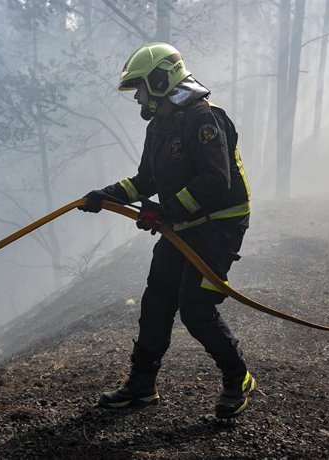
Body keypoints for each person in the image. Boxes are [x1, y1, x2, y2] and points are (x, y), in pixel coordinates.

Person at [78, 42, 254, 419]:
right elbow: (147, 179)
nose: (139, 97)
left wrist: (165, 212)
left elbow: (215, 181)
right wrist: (105, 196)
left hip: (219, 227)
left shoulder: (202, 119)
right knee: (157, 298)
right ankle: (141, 385)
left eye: (141, 88)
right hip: (186, 226)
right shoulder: (160, 127)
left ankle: (237, 378)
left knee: (195, 307)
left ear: (160, 80)